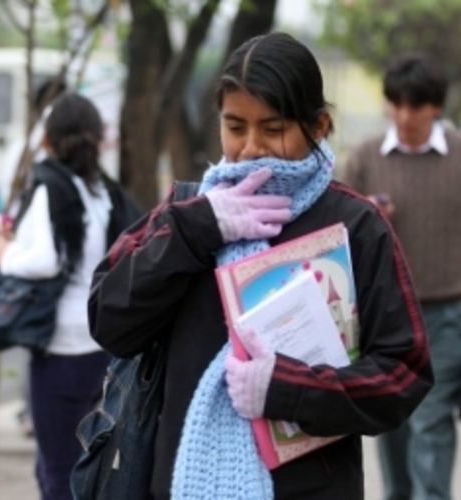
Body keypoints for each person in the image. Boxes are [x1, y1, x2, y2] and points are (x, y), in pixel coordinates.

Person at [88, 32, 433, 499]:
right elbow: (109, 321)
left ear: (319, 125)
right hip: (182, 484)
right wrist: (195, 232)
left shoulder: (354, 225)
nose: (251, 147)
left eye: (273, 129)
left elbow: (403, 372)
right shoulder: (188, 213)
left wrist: (289, 390)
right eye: (235, 127)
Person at [343, 52, 460, 500]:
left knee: (431, 421)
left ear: (436, 106)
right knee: (393, 424)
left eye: (416, 105)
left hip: (448, 315)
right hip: (385, 317)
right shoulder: (366, 160)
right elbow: (334, 234)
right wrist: (366, 214)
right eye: (396, 104)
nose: (405, 115)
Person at [0, 92, 115, 500]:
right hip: (98, 343)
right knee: (82, 466)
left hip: (61, 349)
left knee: (57, 472)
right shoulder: (99, 193)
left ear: (47, 140)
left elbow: (45, 260)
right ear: (98, 139)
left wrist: (5, 255)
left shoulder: (51, 188)